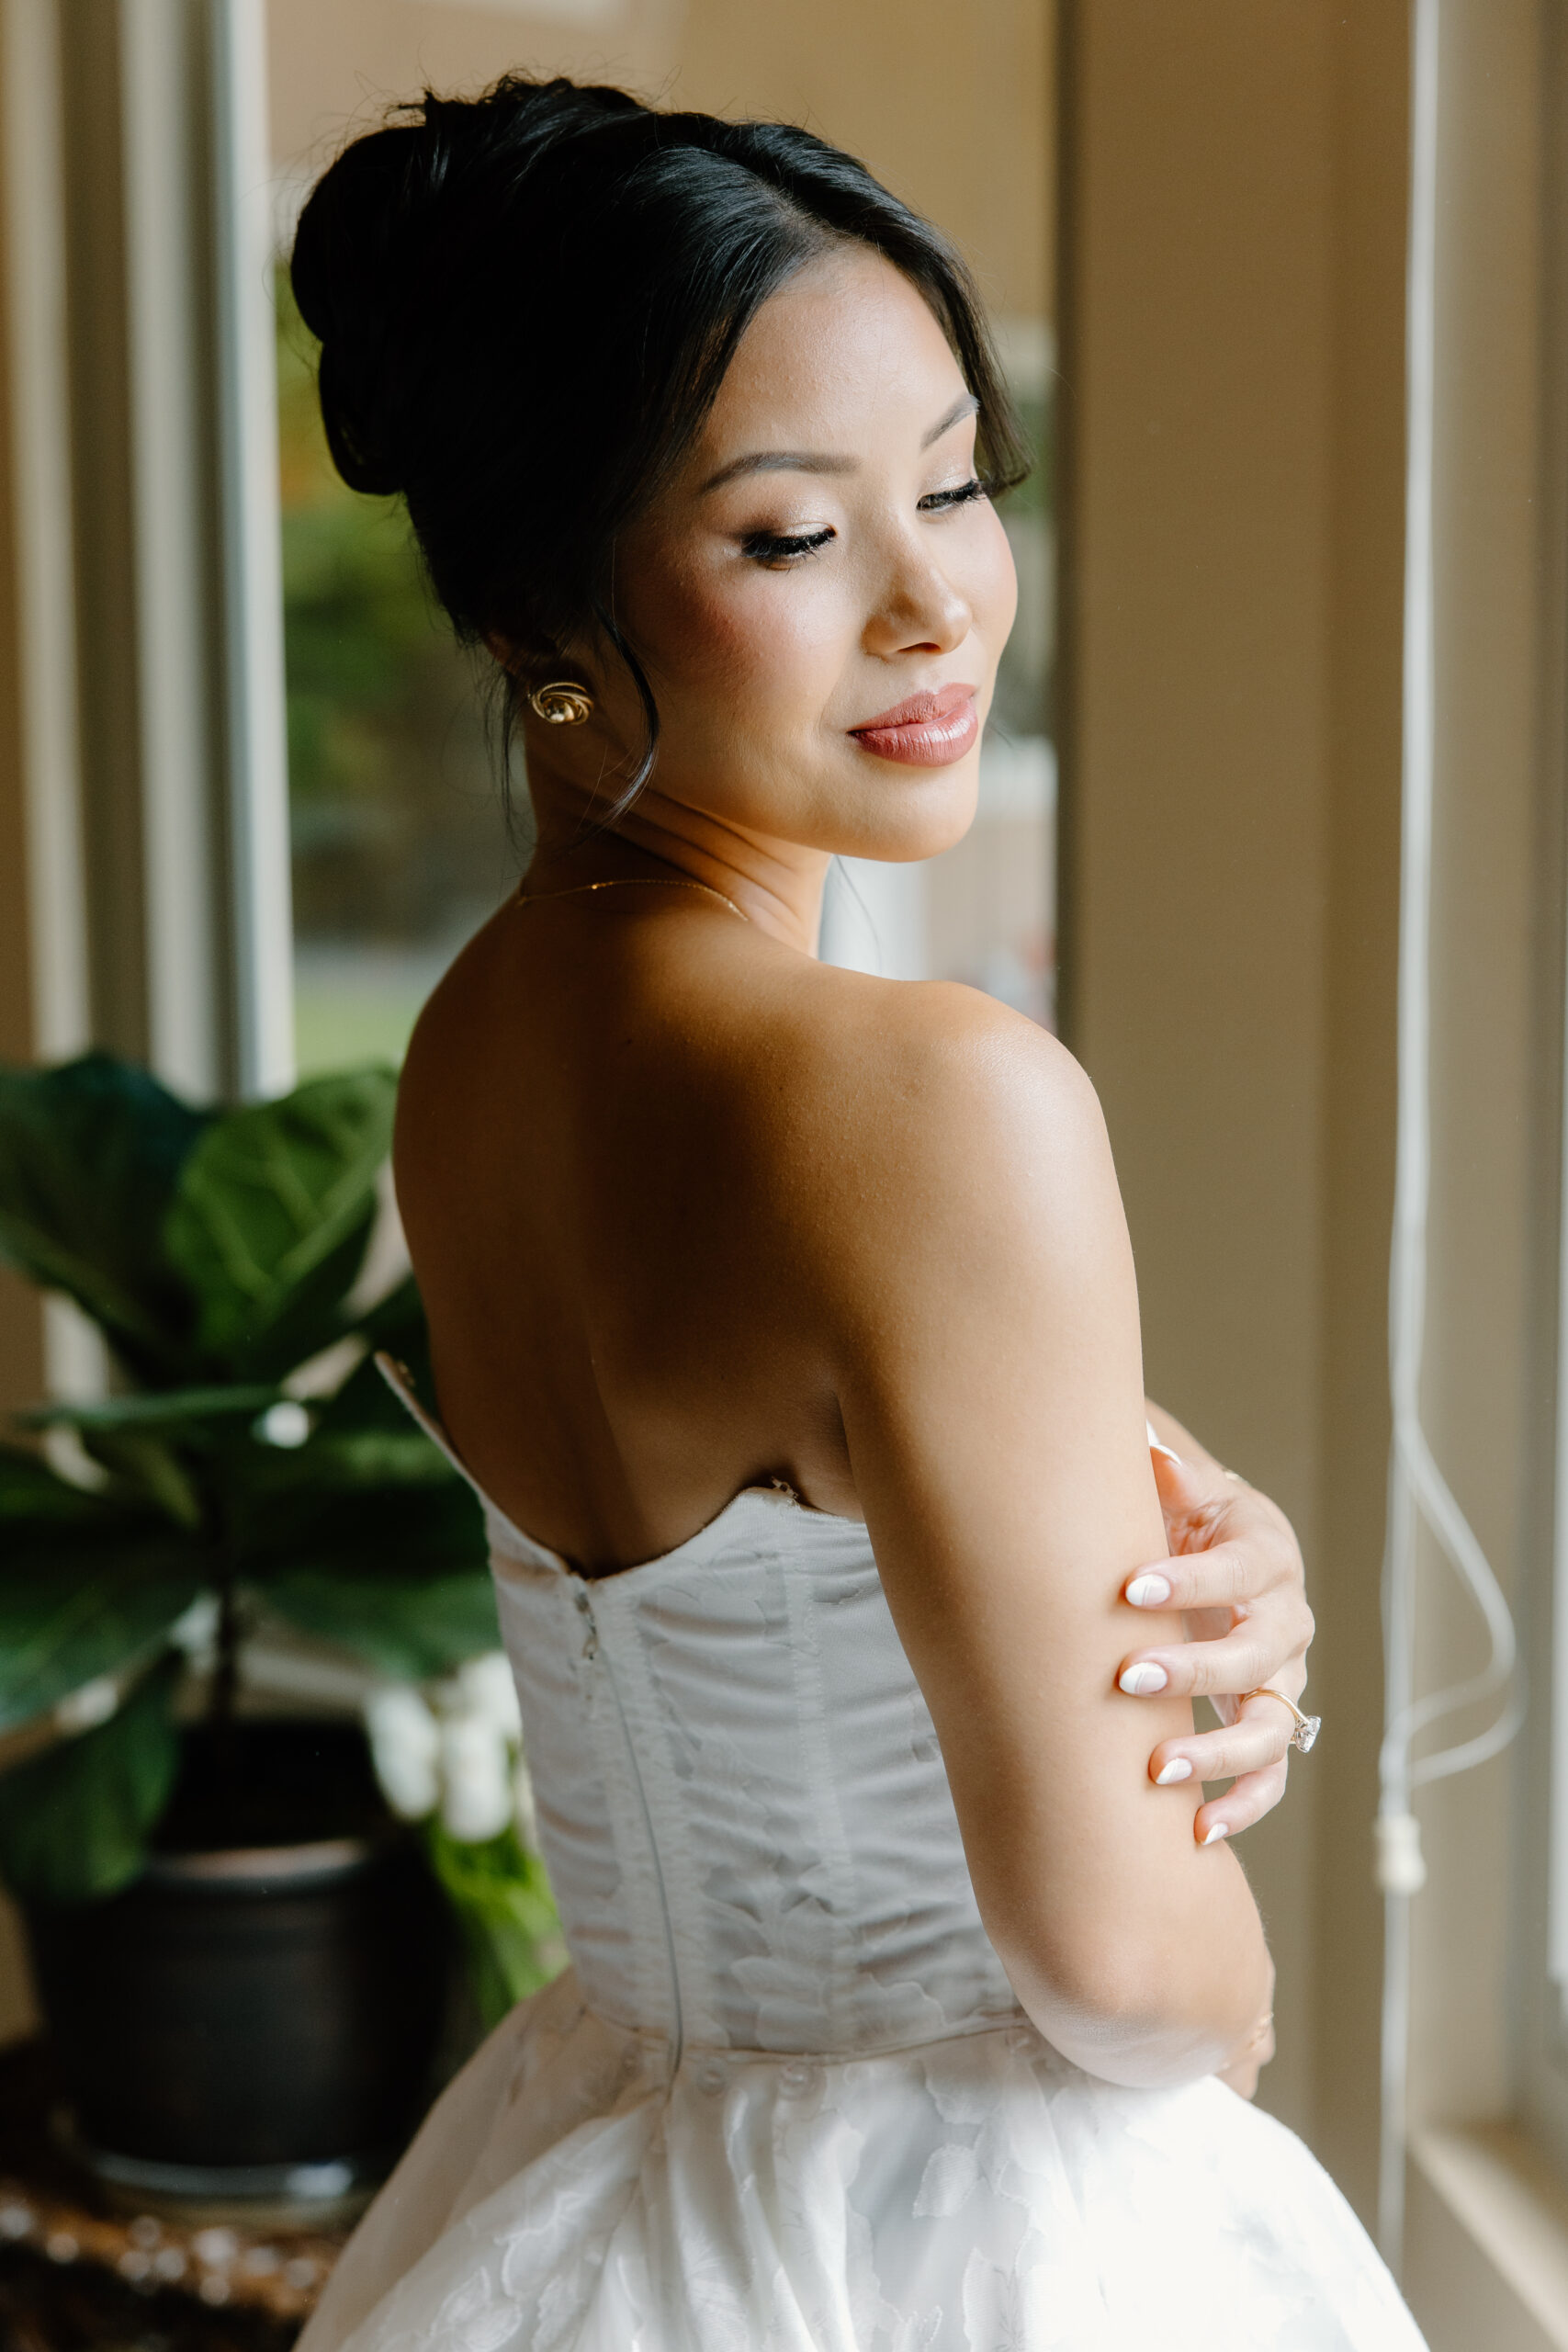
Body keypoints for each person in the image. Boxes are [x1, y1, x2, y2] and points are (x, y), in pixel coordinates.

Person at [292, 76, 1425, 2351]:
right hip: (963, 2223)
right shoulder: (926, 1101)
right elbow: (1112, 1959)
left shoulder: (478, 1045)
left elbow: (792, 1474)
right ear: (541, 608)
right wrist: (1232, 1973)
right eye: (792, 538)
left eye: (955, 482)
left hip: (590, 2167)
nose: (935, 599)